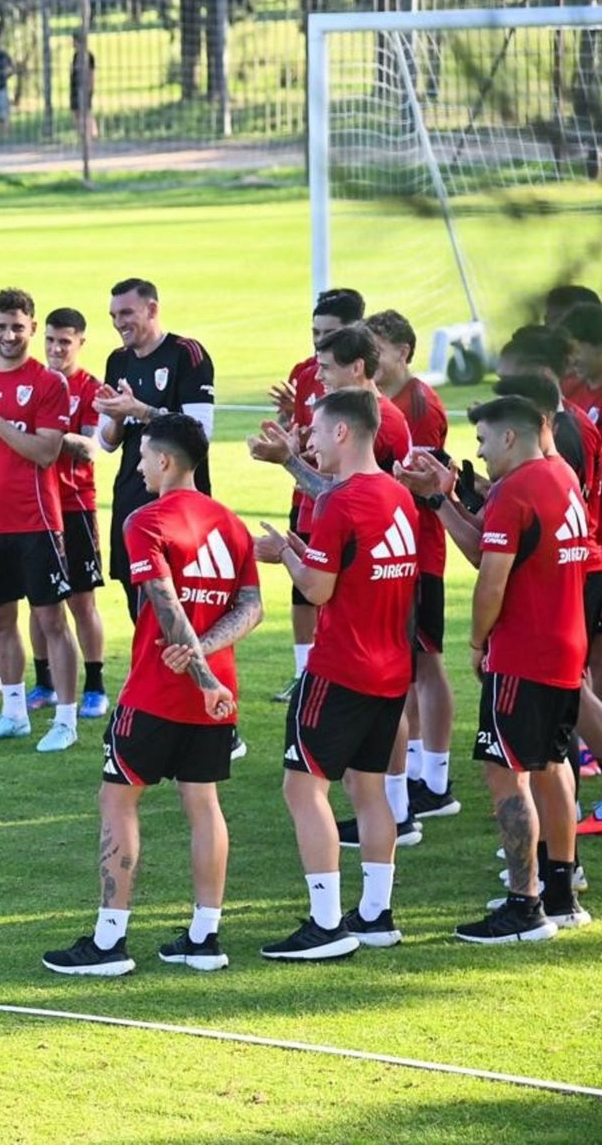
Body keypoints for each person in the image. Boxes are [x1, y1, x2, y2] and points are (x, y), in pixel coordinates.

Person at [42, 415, 260, 976]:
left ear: (164, 460)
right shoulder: (231, 523)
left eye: (142, 458)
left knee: (117, 801)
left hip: (158, 692)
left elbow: (166, 606)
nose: (137, 467)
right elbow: (251, 607)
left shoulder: (146, 520)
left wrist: (198, 672)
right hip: (218, 696)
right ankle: (204, 938)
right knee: (203, 804)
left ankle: (109, 942)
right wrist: (209, 665)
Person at [253, 389, 417, 961]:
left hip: (341, 668)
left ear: (343, 432)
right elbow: (355, 566)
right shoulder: (398, 495)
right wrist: (308, 551)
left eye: (316, 432)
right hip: (391, 670)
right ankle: (375, 914)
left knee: (303, 787)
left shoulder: (339, 503)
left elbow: (318, 589)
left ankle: (325, 925)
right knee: (369, 789)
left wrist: (284, 554)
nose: (310, 442)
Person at [449, 396, 592, 942]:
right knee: (555, 764)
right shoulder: (561, 475)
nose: (481, 453)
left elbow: (491, 581)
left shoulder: (516, 491)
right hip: (565, 647)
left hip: (523, 654)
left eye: (484, 441)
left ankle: (523, 906)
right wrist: (446, 501)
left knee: (506, 773)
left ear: (510, 437)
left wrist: (476, 641)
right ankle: (560, 893)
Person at [0, 288, 81, 754]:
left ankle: (65, 719)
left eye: (17, 327)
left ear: (32, 328)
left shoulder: (48, 382)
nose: (8, 335)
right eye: (1, 327)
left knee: (51, 621)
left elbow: (46, 452)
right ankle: (14, 713)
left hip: (35, 521)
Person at [368, 310, 457, 820]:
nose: (371, 360)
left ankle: (436, 781)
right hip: (400, 550)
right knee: (409, 665)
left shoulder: (418, 405)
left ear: (402, 352)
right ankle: (422, 769)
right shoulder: (390, 401)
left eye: (377, 351)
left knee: (426, 661)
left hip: (420, 551)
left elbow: (420, 482)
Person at [94, 278, 216, 623]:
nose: (119, 323)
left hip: (179, 503)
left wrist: (141, 410)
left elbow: (200, 432)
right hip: (130, 495)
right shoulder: (117, 360)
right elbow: (107, 442)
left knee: (182, 601)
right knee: (135, 595)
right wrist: (117, 416)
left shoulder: (186, 354)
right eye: (113, 315)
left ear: (152, 309)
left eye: (126, 313)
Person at [266, 288, 366, 703]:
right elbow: (297, 430)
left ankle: (335, 670)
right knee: (302, 587)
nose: (319, 341)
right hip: (307, 498)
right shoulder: (306, 372)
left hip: (344, 502)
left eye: (329, 333)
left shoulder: (365, 391)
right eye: (315, 333)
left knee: (338, 588)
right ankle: (303, 673)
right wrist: (288, 424)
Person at [36, 307, 108, 720]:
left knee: (82, 601)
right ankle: (44, 683)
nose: (56, 348)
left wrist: (48, 433)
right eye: (50, 340)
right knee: (40, 602)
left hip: (75, 504)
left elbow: (92, 448)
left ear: (80, 342)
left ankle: (95, 685)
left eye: (65, 341)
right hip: (35, 508)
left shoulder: (90, 388)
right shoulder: (35, 382)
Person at [70, 40, 97, 141]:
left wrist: (91, 87)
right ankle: (82, 133)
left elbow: (92, 73)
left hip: (85, 87)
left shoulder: (89, 56)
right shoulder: (76, 56)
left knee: (86, 111)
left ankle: (91, 133)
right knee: (76, 111)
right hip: (75, 87)